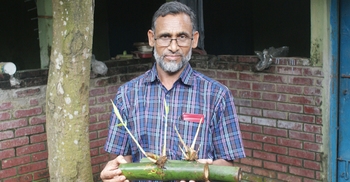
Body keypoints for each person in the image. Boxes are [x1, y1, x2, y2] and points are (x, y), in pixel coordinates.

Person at [100, 1, 245, 181]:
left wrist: (207, 172)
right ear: (152, 38)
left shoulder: (217, 95)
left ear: (195, 39)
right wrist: (114, 173)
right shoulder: (127, 95)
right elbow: (121, 158)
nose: (174, 47)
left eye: (182, 36)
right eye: (165, 36)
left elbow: (228, 163)